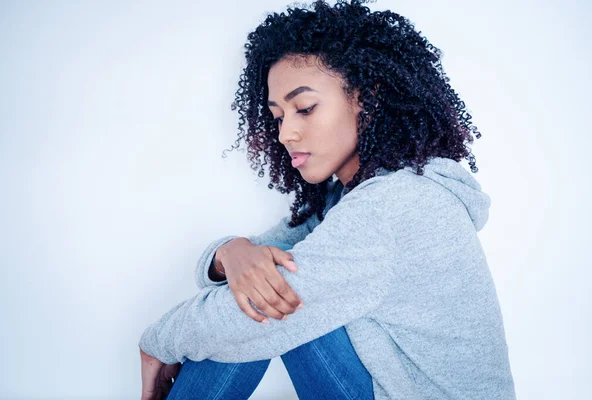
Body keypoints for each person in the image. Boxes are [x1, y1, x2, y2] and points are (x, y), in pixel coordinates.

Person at [138, 0, 516, 399]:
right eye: (279, 116)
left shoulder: (395, 206)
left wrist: (155, 342)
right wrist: (232, 253)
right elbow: (257, 259)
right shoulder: (347, 197)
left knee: (261, 310)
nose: (285, 134)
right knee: (260, 294)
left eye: (304, 108)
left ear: (366, 100)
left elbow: (251, 309)